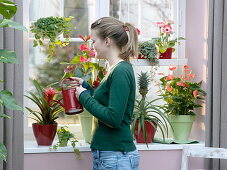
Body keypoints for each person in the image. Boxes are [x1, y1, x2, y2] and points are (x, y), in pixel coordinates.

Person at [71, 17, 140, 170]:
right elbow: (105, 103)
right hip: (110, 155)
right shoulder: (115, 69)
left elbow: (113, 118)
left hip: (115, 156)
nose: (92, 46)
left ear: (107, 41)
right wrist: (86, 87)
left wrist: (84, 97)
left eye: (94, 41)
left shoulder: (120, 71)